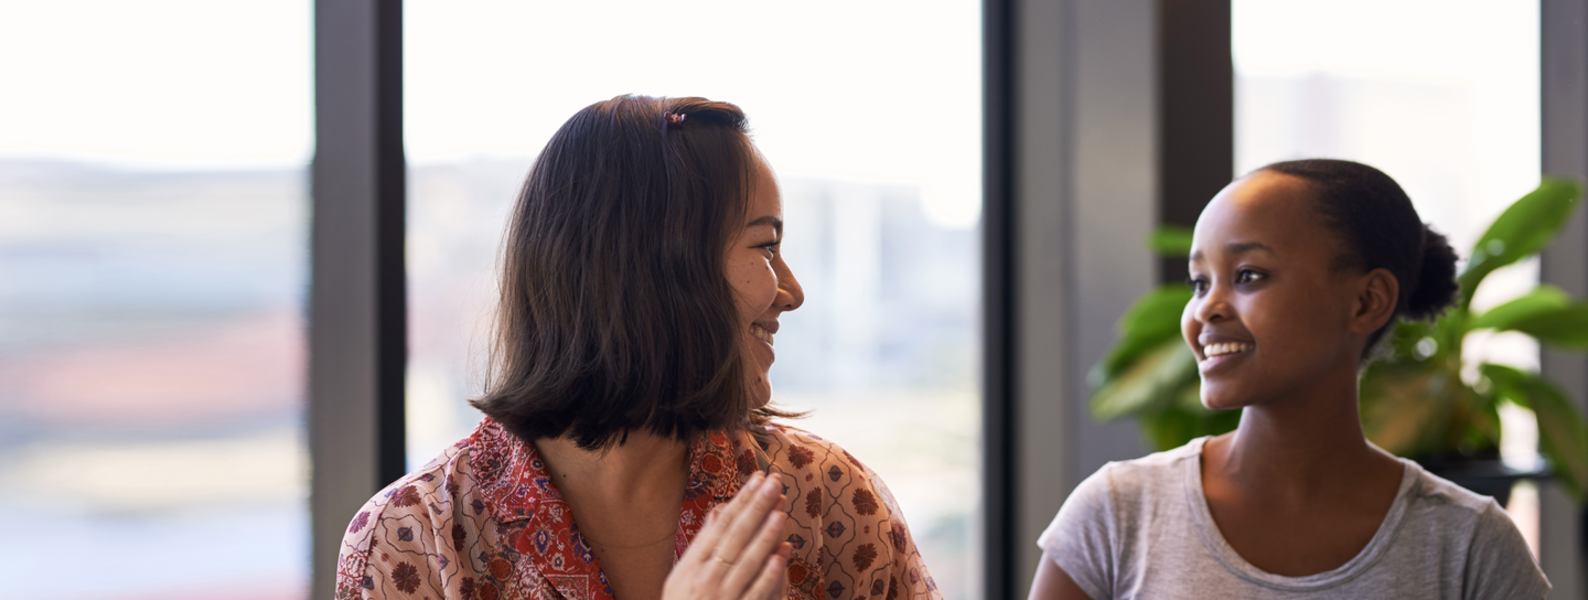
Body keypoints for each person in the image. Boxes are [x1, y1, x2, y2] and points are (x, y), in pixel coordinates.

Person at [335, 95, 940, 600]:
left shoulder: (828, 502)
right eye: (765, 247)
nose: (793, 291)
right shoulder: (416, 539)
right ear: (650, 270)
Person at [1031, 159, 1550, 599]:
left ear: (1367, 301)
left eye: (1248, 276)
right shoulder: (1117, 514)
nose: (1206, 308)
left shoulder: (1468, 545)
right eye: (1199, 282)